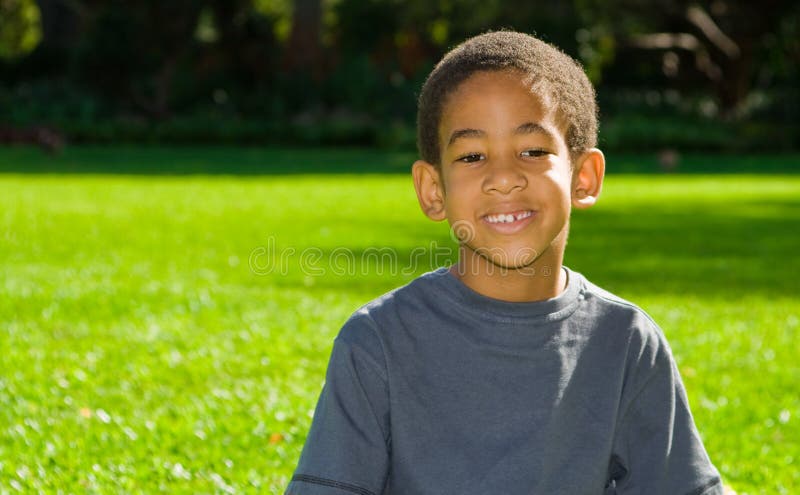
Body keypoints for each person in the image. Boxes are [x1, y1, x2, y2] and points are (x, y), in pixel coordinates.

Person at [285, 30, 723, 495]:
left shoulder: (626, 342)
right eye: (472, 156)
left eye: (533, 151)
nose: (504, 178)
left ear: (585, 177)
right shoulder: (377, 343)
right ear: (433, 190)